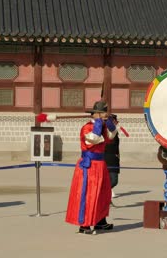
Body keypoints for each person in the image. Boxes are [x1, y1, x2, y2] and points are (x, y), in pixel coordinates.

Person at [65, 100, 118, 234]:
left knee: (103, 194)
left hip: (101, 165)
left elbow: (111, 136)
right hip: (89, 166)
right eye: (103, 112)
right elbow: (93, 139)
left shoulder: (103, 126)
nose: (106, 114)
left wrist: (111, 125)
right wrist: (99, 123)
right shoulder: (87, 127)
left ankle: (100, 222)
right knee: (89, 194)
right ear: (97, 114)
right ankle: (85, 225)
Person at [104, 114, 120, 198]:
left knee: (114, 180)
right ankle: (107, 191)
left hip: (114, 158)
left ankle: (108, 190)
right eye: (114, 121)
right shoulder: (105, 132)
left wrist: (118, 156)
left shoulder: (115, 132)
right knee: (111, 179)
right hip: (106, 157)